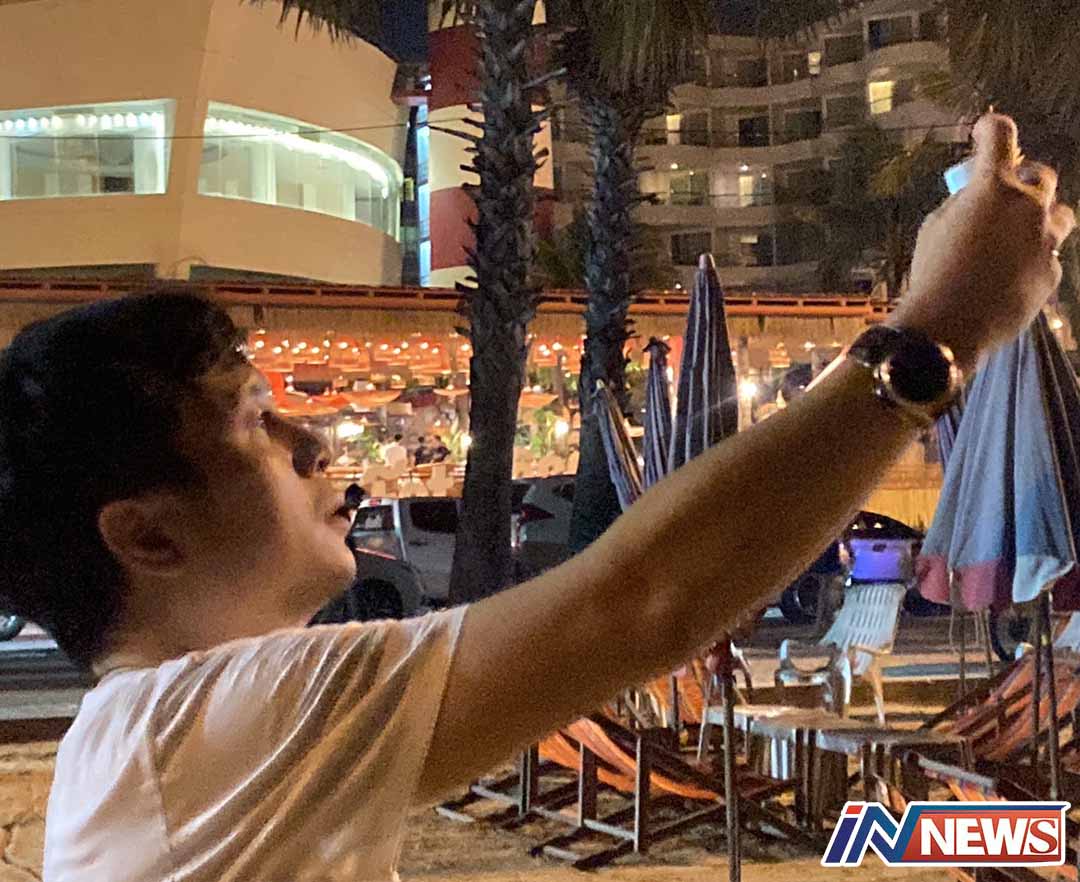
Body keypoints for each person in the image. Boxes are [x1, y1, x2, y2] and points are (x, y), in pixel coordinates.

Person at [0, 114, 1069, 882]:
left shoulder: (164, 746)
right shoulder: (187, 732)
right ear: (148, 535)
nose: (314, 442)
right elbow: (641, 600)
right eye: (253, 422)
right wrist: (940, 327)